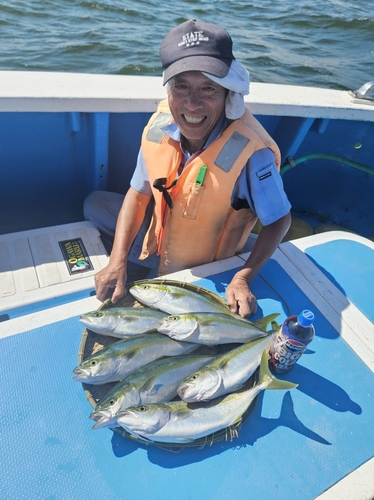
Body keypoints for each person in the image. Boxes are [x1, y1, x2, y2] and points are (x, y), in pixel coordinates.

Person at [84, 19, 291, 317]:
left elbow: (280, 220)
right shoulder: (160, 125)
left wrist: (242, 278)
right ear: (169, 89)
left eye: (208, 89)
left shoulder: (250, 153)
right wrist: (116, 261)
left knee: (275, 257)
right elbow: (138, 193)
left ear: (228, 96)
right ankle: (138, 262)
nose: (192, 105)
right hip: (160, 242)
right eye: (181, 86)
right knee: (94, 204)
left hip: (209, 264)